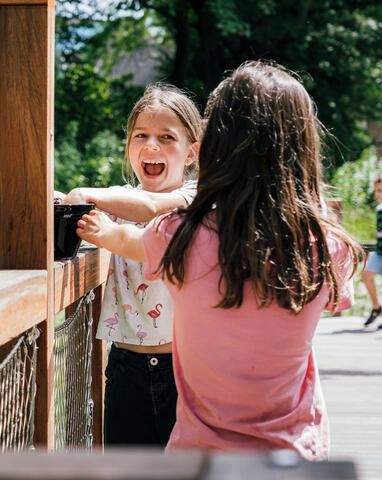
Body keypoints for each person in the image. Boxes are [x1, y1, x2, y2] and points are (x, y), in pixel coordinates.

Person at [76, 61, 363, 460]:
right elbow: (337, 300)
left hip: (199, 454)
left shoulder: (181, 234)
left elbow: (131, 239)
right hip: (294, 454)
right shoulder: (328, 246)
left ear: (214, 146)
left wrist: (95, 221)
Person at [60, 83, 202, 446]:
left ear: (191, 153)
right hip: (125, 365)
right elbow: (120, 204)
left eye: (167, 137)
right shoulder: (118, 202)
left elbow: (148, 208)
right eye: (141, 135)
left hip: (187, 370)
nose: (152, 146)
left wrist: (86, 197)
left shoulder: (196, 197)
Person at [362, 174, 382, 330]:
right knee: (366, 275)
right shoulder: (379, 209)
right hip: (379, 251)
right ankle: (377, 307)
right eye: (376, 190)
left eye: (381, 191)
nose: (377, 194)